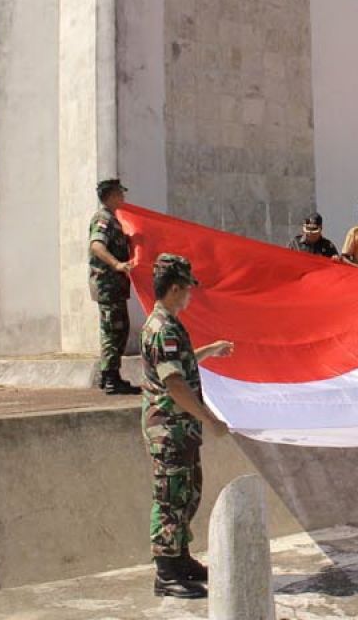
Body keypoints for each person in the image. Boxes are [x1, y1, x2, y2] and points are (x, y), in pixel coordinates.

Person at [140, 253, 234, 599]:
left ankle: (180, 559)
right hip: (169, 427)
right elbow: (175, 384)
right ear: (175, 288)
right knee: (169, 496)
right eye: (188, 289)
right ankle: (166, 573)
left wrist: (211, 350)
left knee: (187, 493)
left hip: (180, 429)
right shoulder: (162, 328)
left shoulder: (169, 325)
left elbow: (179, 362)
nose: (191, 295)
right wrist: (209, 420)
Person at [88, 178, 140, 395]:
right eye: (120, 193)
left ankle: (107, 374)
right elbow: (96, 245)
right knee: (113, 331)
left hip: (115, 286)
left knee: (119, 329)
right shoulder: (104, 219)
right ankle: (111, 378)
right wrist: (117, 264)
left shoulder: (114, 219)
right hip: (108, 284)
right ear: (110, 196)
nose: (123, 196)